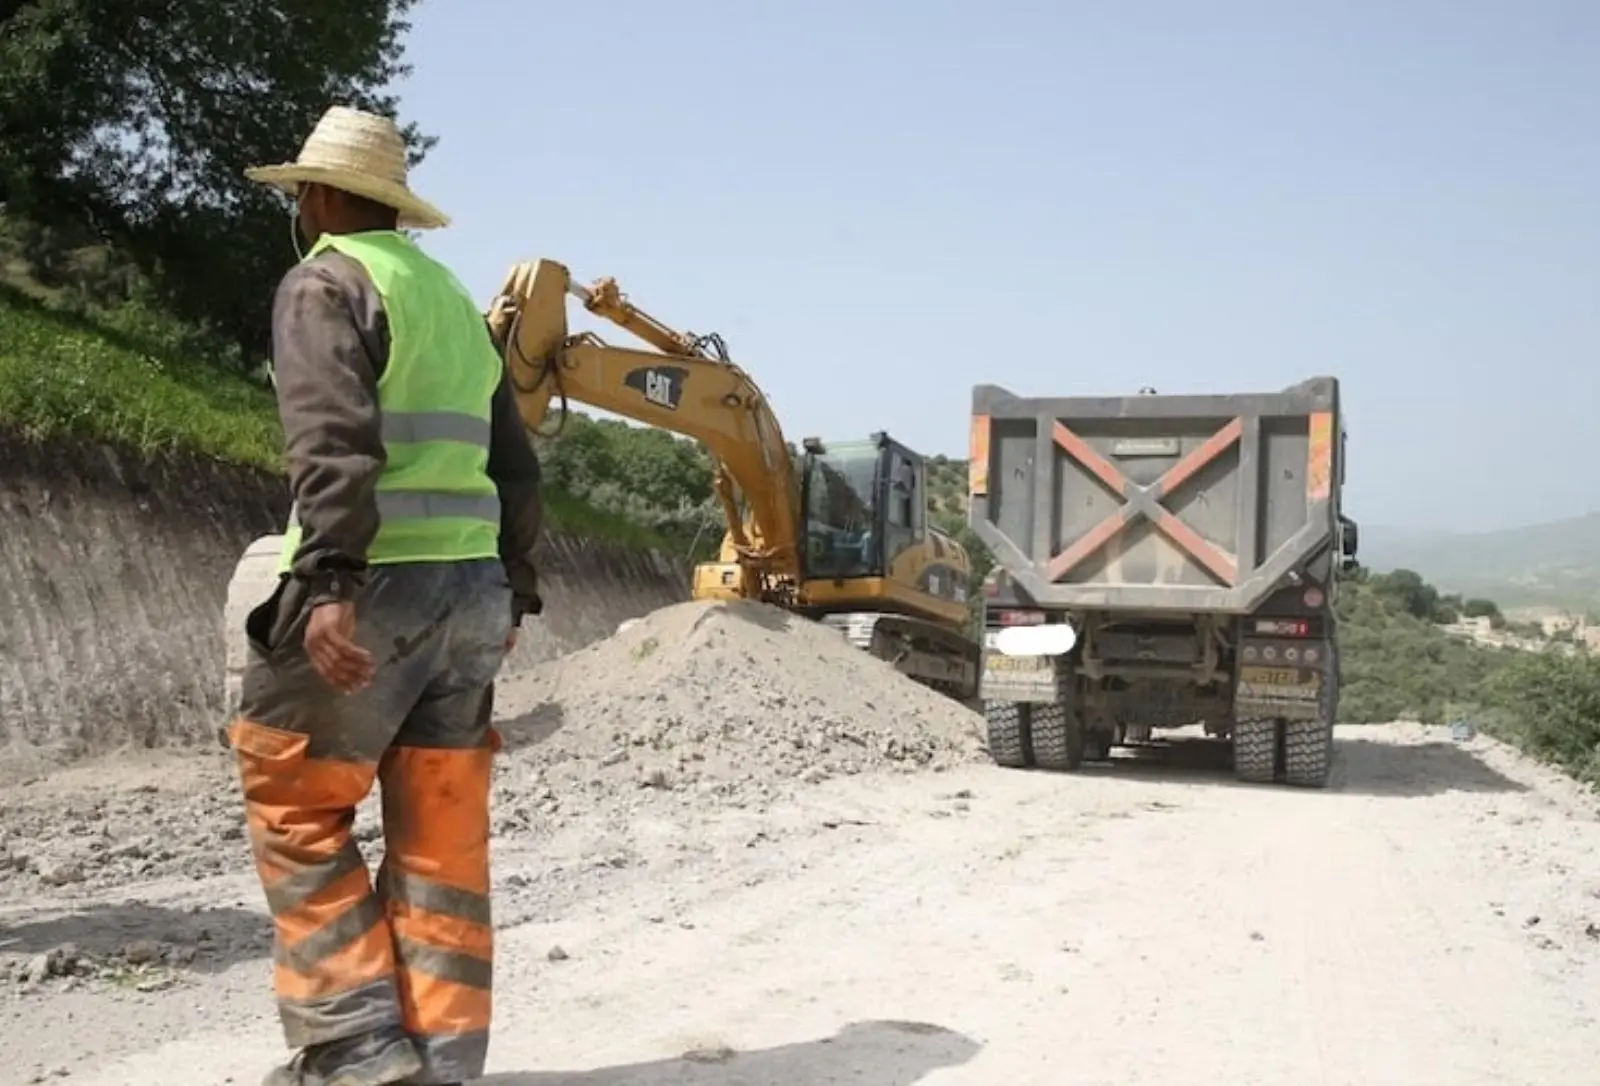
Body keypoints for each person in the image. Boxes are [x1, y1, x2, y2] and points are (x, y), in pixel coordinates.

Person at [228, 104, 544, 1086]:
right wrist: (514, 593)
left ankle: (358, 1052)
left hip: (377, 586)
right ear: (391, 204)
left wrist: (325, 582)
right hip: (472, 593)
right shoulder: (446, 298)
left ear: (319, 196)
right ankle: (444, 1062)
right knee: (440, 833)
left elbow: (333, 444)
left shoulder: (325, 281)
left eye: (300, 197)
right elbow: (517, 468)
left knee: (295, 804)